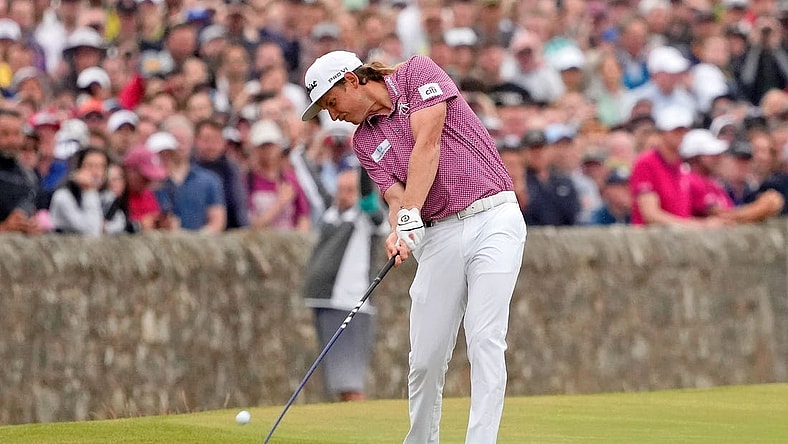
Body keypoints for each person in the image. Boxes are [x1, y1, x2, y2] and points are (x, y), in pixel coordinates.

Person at [300, 50, 526, 444]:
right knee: (425, 359)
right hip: (439, 234)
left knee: (485, 337)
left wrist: (410, 214)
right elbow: (394, 197)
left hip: (494, 217)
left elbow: (428, 143)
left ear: (352, 81)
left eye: (331, 102)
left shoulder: (416, 72)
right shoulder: (364, 140)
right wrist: (398, 229)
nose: (332, 115)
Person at [302, 167, 388, 402]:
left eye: (350, 190)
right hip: (324, 301)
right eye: (340, 189)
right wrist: (298, 151)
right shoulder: (332, 214)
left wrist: (363, 160)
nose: (344, 195)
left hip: (351, 304)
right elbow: (313, 182)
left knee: (350, 380)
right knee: (337, 381)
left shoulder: (368, 216)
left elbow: (369, 197)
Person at [149, 122, 227, 233]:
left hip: (200, 245)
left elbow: (217, 221)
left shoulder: (209, 180)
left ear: (192, 142)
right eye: (176, 139)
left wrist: (195, 240)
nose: (181, 144)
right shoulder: (152, 181)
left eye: (185, 139)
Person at [49, 146, 124, 235]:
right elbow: (91, 231)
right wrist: (89, 190)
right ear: (78, 168)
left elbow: (120, 222)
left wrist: (106, 228)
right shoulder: (63, 196)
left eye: (101, 167)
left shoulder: (107, 197)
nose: (96, 173)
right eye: (90, 166)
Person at [0, 107, 40, 234]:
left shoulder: (28, 177)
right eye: (4, 134)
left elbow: (26, 209)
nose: (12, 141)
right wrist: (4, 228)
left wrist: (28, 226)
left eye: (17, 134)